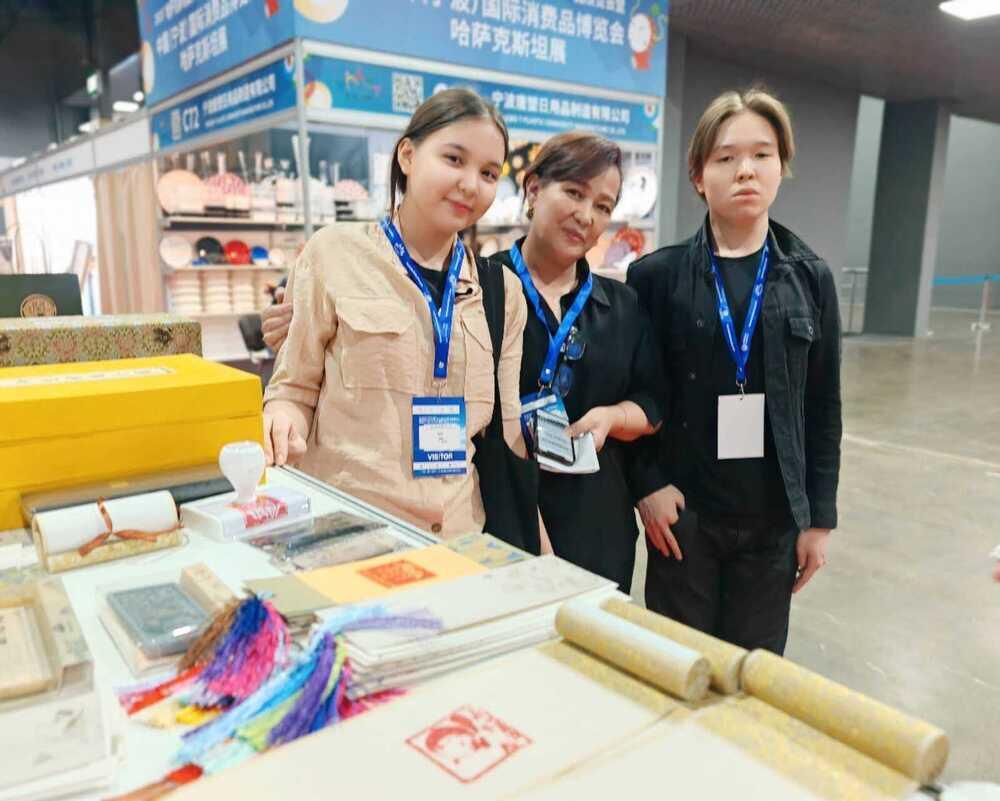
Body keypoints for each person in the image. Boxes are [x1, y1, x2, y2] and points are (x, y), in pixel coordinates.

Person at [628, 87, 843, 654]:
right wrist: (648, 485)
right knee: (678, 666)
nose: (745, 170)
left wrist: (818, 520)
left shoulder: (810, 277)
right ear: (699, 176)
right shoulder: (655, 278)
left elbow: (823, 407)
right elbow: (638, 393)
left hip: (773, 524)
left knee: (752, 675)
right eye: (726, 157)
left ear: (781, 166)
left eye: (762, 154)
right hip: (684, 519)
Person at [262, 87, 529, 538]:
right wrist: (281, 420)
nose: (470, 184)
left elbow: (509, 432)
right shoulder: (333, 253)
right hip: (351, 531)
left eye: (488, 173)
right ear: (407, 155)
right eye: (454, 159)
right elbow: (294, 388)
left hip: (458, 536)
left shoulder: (502, 291)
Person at [487, 132, 665, 590]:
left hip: (597, 529)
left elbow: (653, 402)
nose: (586, 216)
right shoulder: (481, 287)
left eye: (603, 206)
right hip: (498, 521)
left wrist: (613, 417)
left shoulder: (622, 306)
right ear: (533, 189)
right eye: (573, 192)